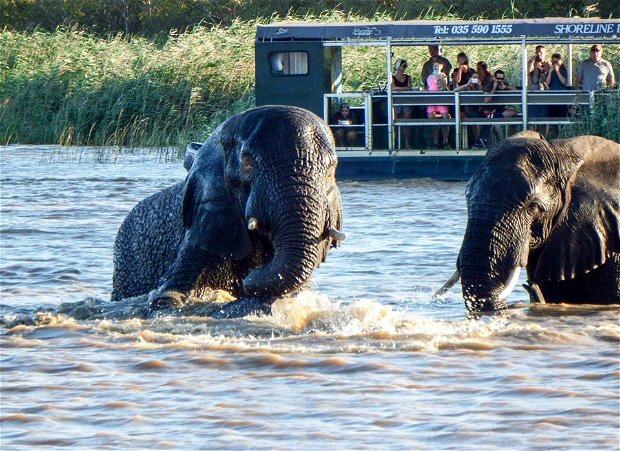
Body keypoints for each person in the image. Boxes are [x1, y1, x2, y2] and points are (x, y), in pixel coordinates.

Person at [425, 57, 451, 149]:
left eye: (437, 66)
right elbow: (428, 88)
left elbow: (444, 87)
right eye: (434, 66)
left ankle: (445, 141)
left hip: (441, 99)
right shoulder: (429, 77)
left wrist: (440, 79)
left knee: (445, 119)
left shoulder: (443, 76)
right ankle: (435, 142)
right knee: (432, 121)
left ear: (441, 67)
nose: (436, 67)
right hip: (431, 100)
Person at [545, 53, 569, 136]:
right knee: (552, 117)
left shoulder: (564, 71)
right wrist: (550, 71)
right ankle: (553, 135)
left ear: (561, 62)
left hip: (562, 98)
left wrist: (558, 71)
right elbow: (547, 83)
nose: (555, 63)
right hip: (552, 98)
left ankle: (562, 134)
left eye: (556, 61)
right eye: (553, 61)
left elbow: (563, 81)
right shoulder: (549, 71)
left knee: (562, 116)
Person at [392, 58, 413, 148]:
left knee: (406, 124)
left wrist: (398, 88)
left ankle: (407, 143)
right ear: (398, 67)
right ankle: (395, 143)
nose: (405, 68)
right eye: (403, 66)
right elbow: (393, 88)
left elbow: (409, 88)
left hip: (406, 101)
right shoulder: (392, 77)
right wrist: (402, 88)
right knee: (394, 123)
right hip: (396, 102)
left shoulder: (408, 77)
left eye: (406, 66)